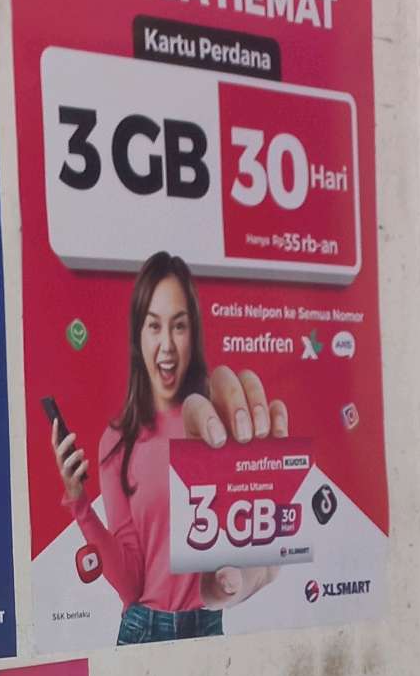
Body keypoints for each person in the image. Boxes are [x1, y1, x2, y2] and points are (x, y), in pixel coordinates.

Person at [51, 251, 287, 643]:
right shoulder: (117, 441)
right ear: (138, 336)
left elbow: (253, 538)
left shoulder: (220, 422)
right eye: (154, 326)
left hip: (206, 626)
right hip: (143, 630)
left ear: (194, 334)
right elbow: (130, 585)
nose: (167, 345)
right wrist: (79, 503)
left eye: (179, 326)